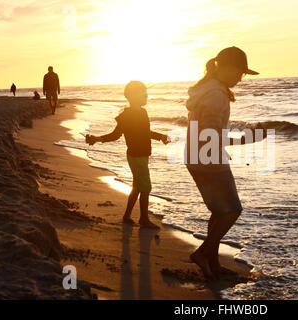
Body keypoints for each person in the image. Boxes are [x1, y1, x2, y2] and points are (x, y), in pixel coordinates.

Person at [184, 47, 265, 280]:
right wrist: (249, 138)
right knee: (231, 211)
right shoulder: (216, 94)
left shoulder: (206, 89)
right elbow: (209, 135)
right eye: (240, 72)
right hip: (208, 158)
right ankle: (202, 254)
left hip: (196, 156)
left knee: (220, 212)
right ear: (227, 68)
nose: (241, 78)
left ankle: (212, 263)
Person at [85, 81, 169, 229]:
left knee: (137, 186)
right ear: (134, 96)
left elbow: (145, 132)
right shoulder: (126, 116)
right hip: (136, 156)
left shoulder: (143, 112)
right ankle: (143, 219)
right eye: (144, 93)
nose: (146, 96)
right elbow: (115, 135)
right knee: (145, 187)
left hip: (142, 154)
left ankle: (127, 216)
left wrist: (160, 136)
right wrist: (97, 139)